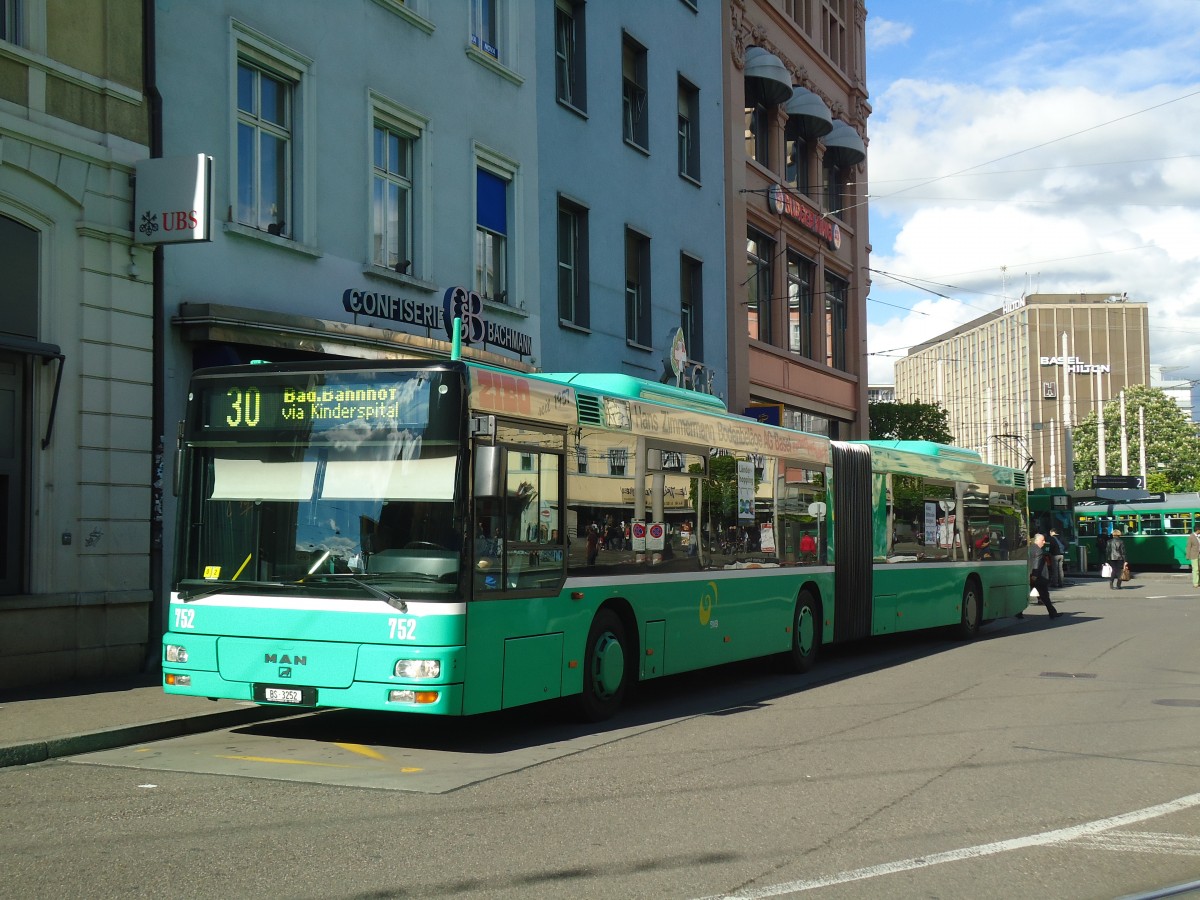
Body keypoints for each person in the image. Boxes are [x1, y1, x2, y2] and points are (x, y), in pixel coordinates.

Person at [1022, 533, 1061, 619]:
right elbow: (1036, 564)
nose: (1044, 542)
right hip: (1038, 577)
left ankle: (1018, 613)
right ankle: (1052, 613)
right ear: (1036, 541)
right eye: (1042, 540)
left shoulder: (1029, 548)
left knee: (1026, 595)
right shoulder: (1038, 551)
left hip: (1030, 575)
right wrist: (1035, 575)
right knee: (1045, 596)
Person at [1186, 524, 1200, 589]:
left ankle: (1198, 582)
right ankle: (1195, 584)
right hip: (1194, 555)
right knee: (1195, 569)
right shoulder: (1191, 536)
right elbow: (1188, 546)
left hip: (1199, 554)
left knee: (1199, 569)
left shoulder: (1199, 536)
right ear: (1198, 530)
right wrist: (1188, 555)